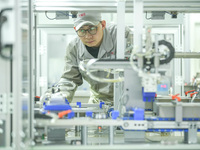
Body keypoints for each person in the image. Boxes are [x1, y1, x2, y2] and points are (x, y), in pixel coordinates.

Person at [50, 12, 133, 104]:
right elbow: (70, 79)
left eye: (92, 29)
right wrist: (61, 97)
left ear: (103, 24)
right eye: (82, 31)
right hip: (98, 102)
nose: (88, 36)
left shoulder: (122, 34)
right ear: (75, 30)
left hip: (127, 99)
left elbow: (135, 70)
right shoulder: (74, 47)